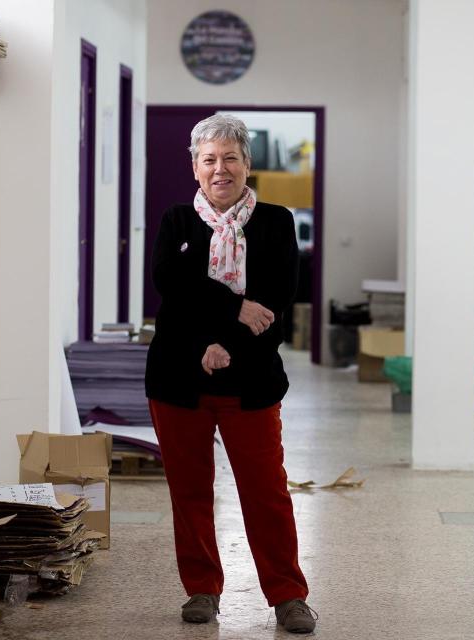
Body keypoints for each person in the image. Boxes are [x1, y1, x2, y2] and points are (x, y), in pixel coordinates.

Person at [145, 114, 316, 632]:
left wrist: (223, 343)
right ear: (195, 167)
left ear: (247, 164)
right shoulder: (177, 220)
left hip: (250, 377)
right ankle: (201, 589)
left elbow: (275, 298)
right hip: (178, 379)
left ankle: (288, 596)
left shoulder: (276, 221)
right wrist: (230, 312)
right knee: (190, 490)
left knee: (265, 490)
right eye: (209, 159)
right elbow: (169, 287)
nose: (220, 169)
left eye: (230, 158)